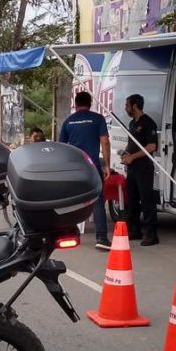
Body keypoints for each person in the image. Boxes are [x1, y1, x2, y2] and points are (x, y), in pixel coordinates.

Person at [59, 91, 111, 250]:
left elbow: (62, 147)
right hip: (92, 165)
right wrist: (107, 165)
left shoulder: (68, 121)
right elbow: (105, 141)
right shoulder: (98, 119)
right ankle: (101, 238)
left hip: (75, 167)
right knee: (98, 202)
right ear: (90, 104)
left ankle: (68, 235)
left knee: (72, 201)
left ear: (75, 104)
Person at [121, 93, 159, 246]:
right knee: (132, 199)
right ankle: (134, 230)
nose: (125, 108)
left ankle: (151, 234)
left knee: (147, 200)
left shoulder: (148, 123)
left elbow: (151, 146)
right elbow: (132, 144)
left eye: (127, 105)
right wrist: (126, 154)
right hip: (132, 168)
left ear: (134, 106)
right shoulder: (131, 123)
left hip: (144, 167)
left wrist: (134, 157)